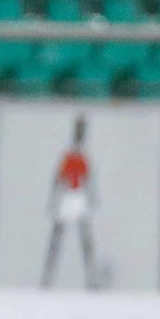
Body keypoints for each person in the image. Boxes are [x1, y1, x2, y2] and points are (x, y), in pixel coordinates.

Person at [42, 115, 103, 290]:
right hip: (70, 197)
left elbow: (87, 179)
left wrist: (91, 198)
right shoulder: (71, 156)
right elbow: (60, 178)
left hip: (77, 197)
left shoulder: (79, 156)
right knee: (59, 238)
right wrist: (55, 200)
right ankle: (49, 277)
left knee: (83, 240)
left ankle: (91, 278)